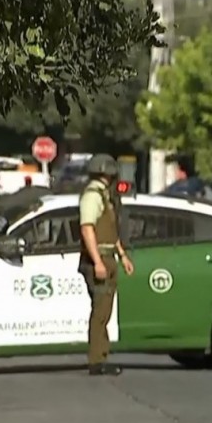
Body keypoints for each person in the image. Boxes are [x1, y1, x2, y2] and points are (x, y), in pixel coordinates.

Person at [78, 154, 135, 376]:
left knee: (105, 311)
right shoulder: (93, 195)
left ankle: (101, 356)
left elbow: (111, 233)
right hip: (99, 258)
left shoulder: (104, 195)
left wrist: (122, 255)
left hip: (108, 255)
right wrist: (98, 261)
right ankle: (96, 360)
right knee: (100, 312)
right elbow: (87, 228)